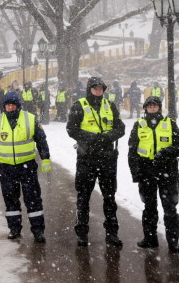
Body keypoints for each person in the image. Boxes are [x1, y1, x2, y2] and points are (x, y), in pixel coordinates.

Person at [66, 77, 126, 247]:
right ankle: (82, 233)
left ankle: (112, 233)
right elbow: (71, 129)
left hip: (107, 158)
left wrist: (108, 136)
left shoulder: (110, 105)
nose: (98, 91)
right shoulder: (80, 105)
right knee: (84, 196)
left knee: (110, 197)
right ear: (89, 89)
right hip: (87, 158)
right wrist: (91, 138)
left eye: (101, 89)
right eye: (95, 89)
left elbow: (120, 127)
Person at [0, 92, 51, 242]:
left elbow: (41, 140)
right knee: (10, 200)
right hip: (7, 168)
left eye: (12, 105)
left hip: (27, 167)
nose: (10, 107)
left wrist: (45, 158)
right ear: (4, 106)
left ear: (18, 105)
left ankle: (38, 230)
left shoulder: (30, 119)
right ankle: (14, 228)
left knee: (33, 199)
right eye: (7, 105)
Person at [128, 96, 179, 253]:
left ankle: (173, 242)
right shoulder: (139, 125)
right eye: (149, 106)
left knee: (170, 208)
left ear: (160, 107)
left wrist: (166, 153)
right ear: (145, 108)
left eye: (155, 106)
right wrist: (136, 173)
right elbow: (132, 151)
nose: (152, 109)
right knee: (149, 207)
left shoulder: (170, 123)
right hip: (146, 172)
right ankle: (150, 238)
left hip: (167, 171)